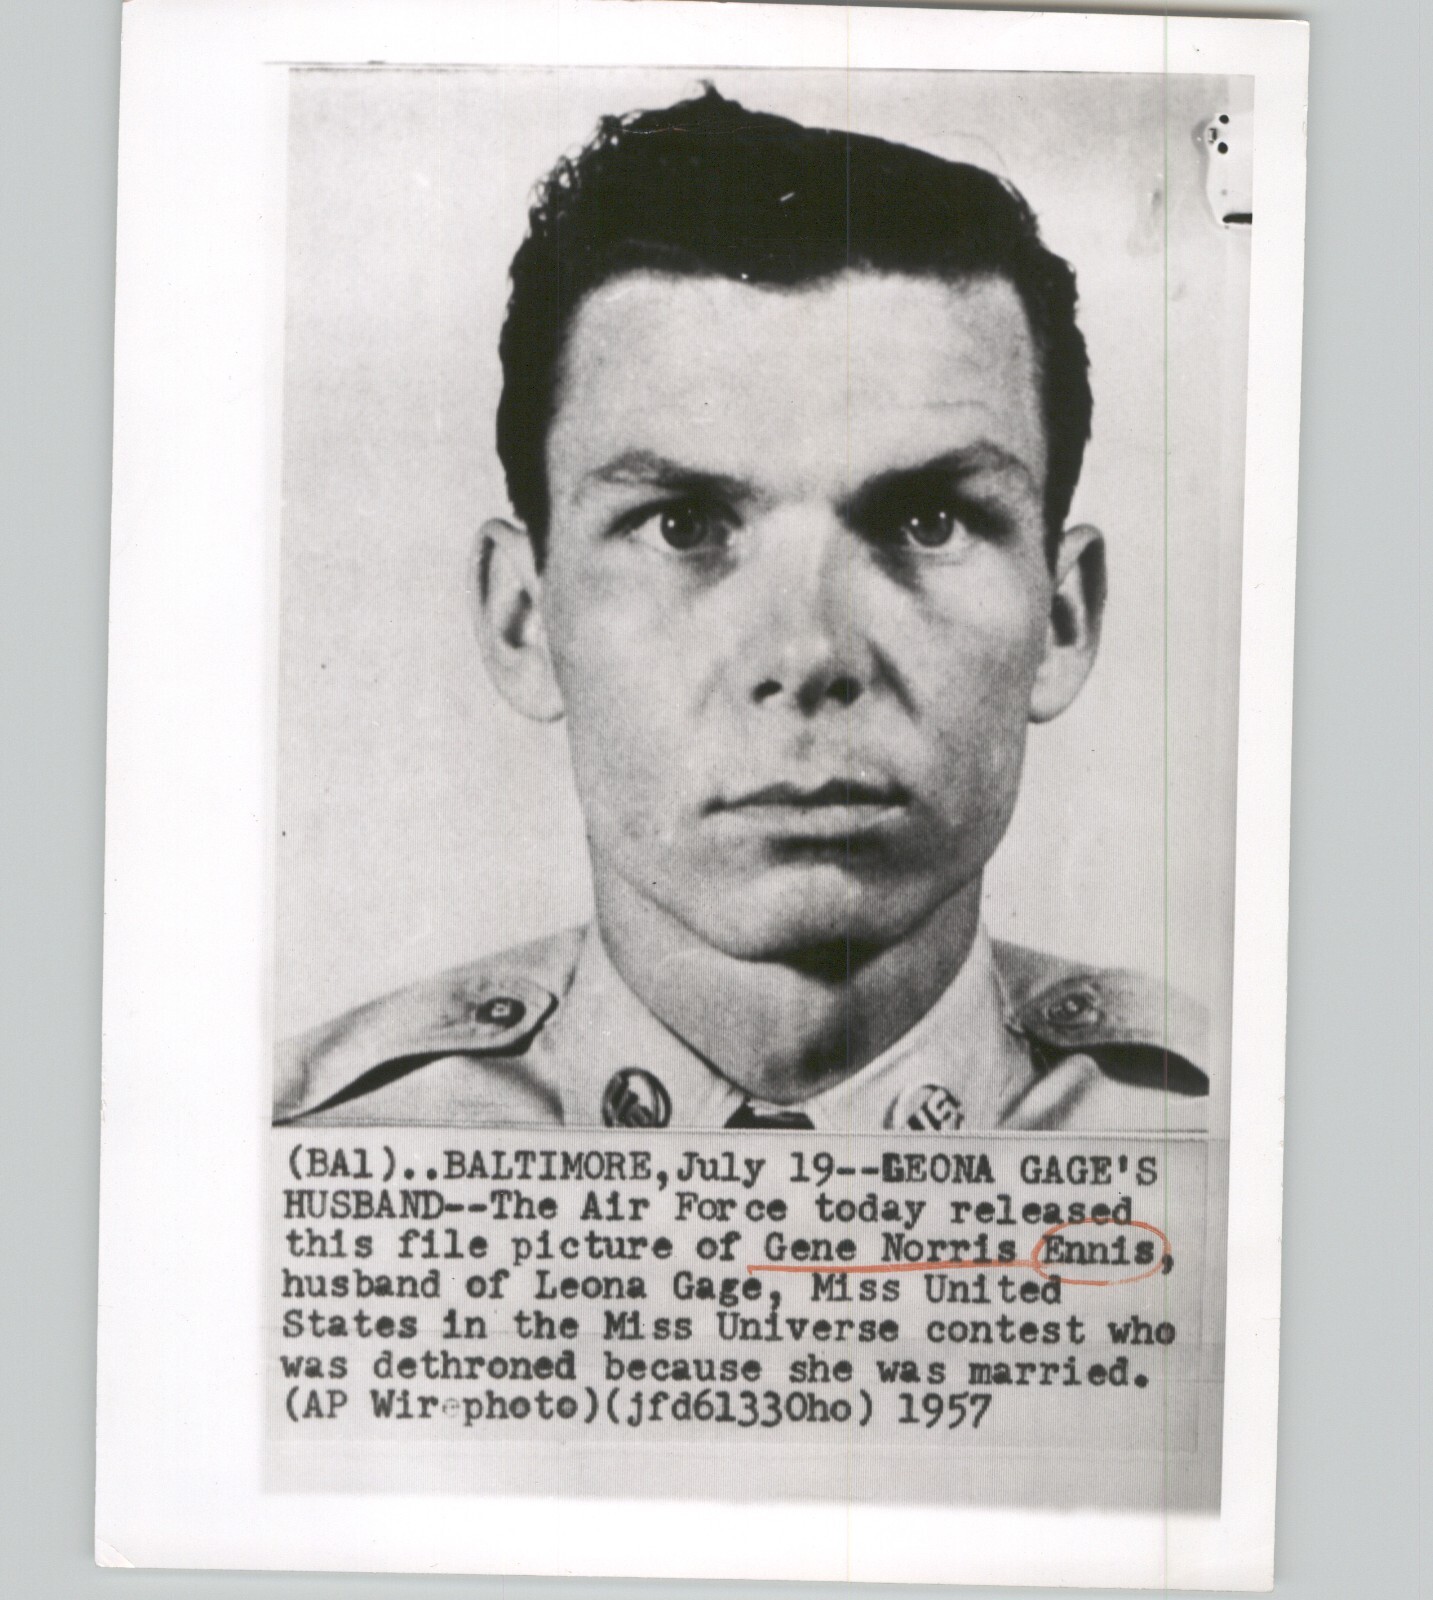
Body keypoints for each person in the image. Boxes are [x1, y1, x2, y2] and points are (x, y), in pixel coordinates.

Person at [273, 87, 1207, 1132]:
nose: (807, 653)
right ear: (522, 618)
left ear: (1063, 618)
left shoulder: (1247, 1137)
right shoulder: (289, 1154)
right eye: (681, 526)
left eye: (927, 521)